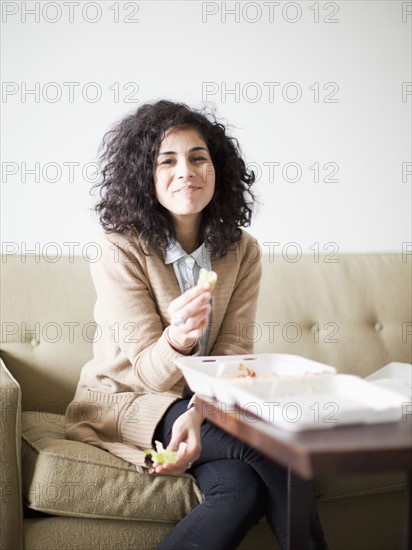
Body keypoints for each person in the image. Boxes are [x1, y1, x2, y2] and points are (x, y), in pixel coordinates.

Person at [65, 100, 328, 550]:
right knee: (272, 441)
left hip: (200, 404)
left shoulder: (241, 250)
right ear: (144, 177)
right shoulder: (118, 248)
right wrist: (178, 339)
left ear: (216, 169)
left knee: (240, 490)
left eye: (198, 157)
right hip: (127, 400)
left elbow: (232, 353)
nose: (186, 170)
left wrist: (198, 411)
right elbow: (149, 372)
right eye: (167, 160)